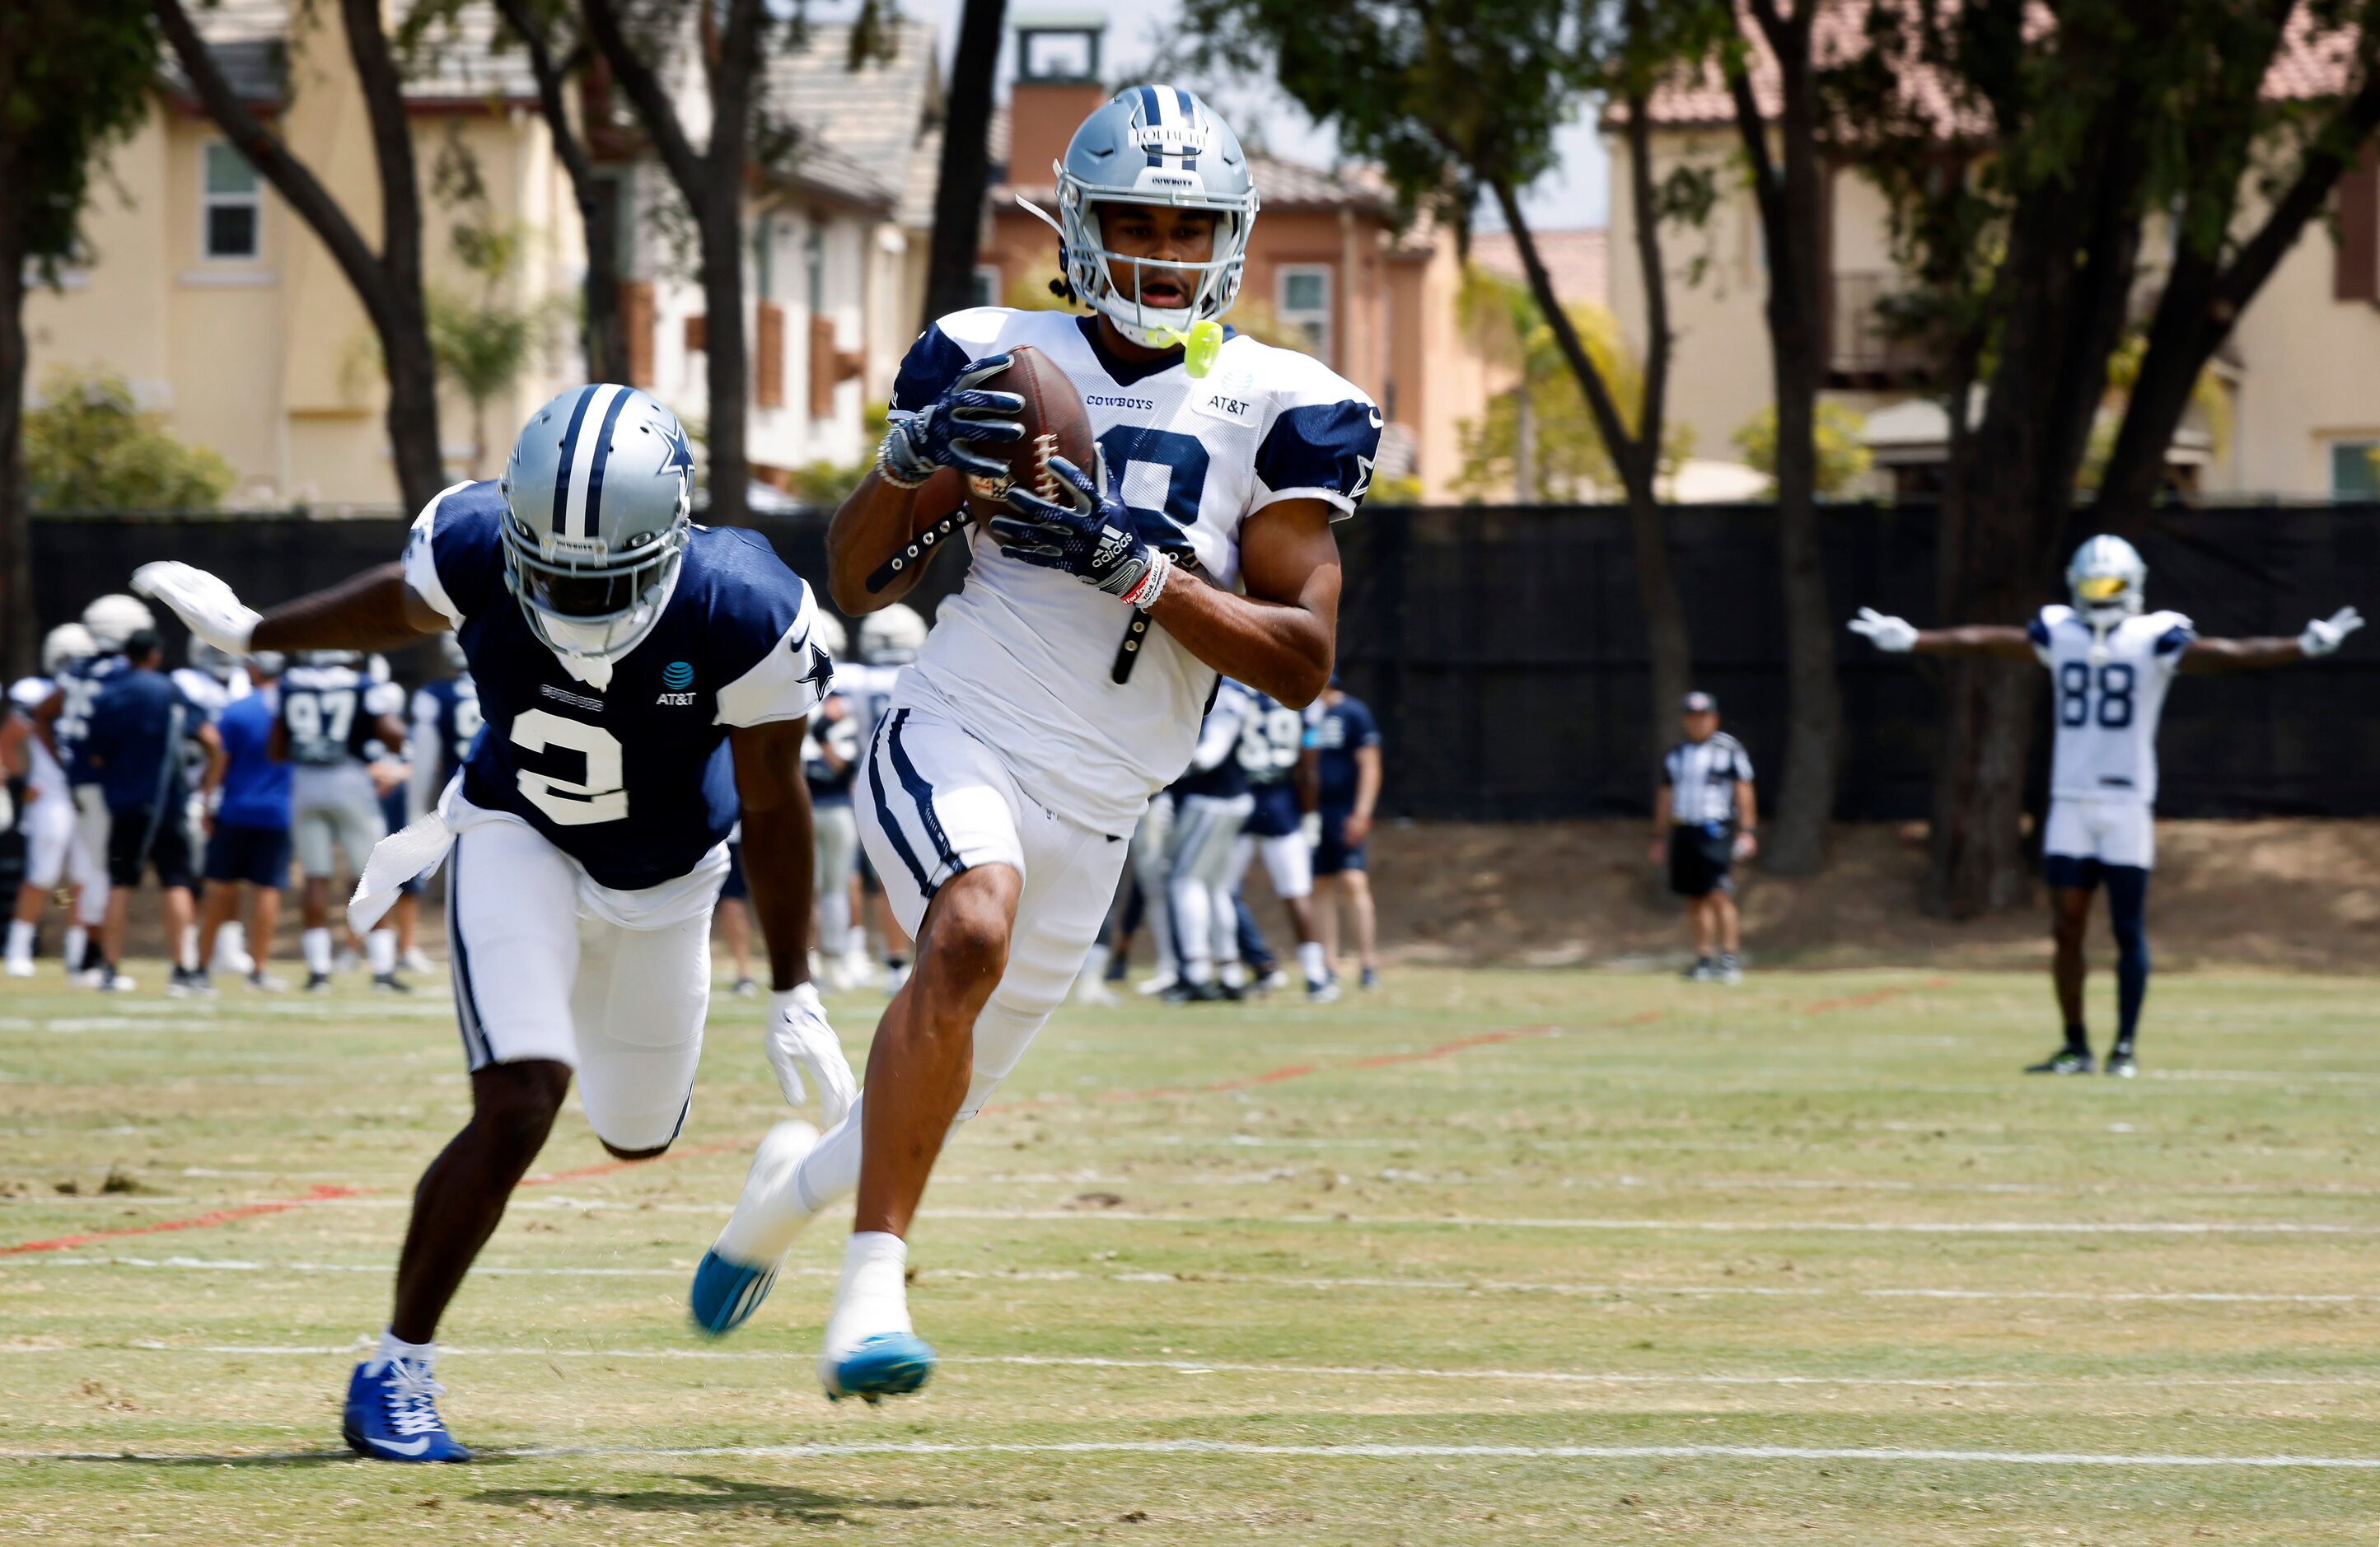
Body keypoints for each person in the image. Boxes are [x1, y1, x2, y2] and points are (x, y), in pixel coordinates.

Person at [689, 84, 1380, 1403]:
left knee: (933, 1085)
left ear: (1229, 239)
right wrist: (913, 457)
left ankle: (782, 1193)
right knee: (968, 928)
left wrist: (1138, 567)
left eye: (1190, 227)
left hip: (1109, 800)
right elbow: (857, 577)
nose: (1164, 252)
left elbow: (1299, 664)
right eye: (1136, 221)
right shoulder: (994, 351)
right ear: (1078, 222)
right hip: (964, 725)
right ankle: (869, 1292)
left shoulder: (1281, 401)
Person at [131, 381, 853, 1462]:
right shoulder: (469, 543)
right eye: (548, 568)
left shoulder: (744, 607)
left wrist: (795, 980)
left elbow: (770, 798)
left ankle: (769, 1175)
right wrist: (253, 633)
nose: (568, 596)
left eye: (597, 574)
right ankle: (396, 1368)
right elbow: (393, 603)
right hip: (517, 831)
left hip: (669, 881)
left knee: (636, 1131)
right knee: (521, 1096)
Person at [1849, 534, 2363, 1077]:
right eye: (2092, 584)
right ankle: (2075, 1046)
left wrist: (2299, 645)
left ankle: (2124, 1048)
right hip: (2070, 801)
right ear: (2075, 586)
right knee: (2065, 926)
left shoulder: (2154, 635)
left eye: (2110, 584)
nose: (2100, 594)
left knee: (2125, 928)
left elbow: (2224, 655)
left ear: (2132, 586)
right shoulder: (2059, 631)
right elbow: (1989, 641)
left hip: (2126, 803)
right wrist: (1915, 641)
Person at [78, 629, 220, 994]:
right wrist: (205, 787)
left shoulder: (109, 694)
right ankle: (183, 970)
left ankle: (109, 968)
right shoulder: (169, 690)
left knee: (120, 883)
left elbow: (95, 755)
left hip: (126, 804)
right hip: (168, 802)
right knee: (176, 882)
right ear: (155, 655)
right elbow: (213, 742)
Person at [29, 595, 158, 988]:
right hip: (102, 787)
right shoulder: (118, 673)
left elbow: (43, 714)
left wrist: (64, 762)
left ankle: (81, 956)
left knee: (83, 873)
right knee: (98, 874)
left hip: (78, 784)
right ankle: (90, 961)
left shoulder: (78, 669)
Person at [273, 648, 410, 992]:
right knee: (370, 878)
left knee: (316, 878)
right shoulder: (361, 684)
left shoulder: (290, 684)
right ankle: (382, 972)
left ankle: (319, 973)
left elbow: (275, 748)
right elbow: (393, 733)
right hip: (348, 780)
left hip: (305, 782)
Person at [4, 625, 105, 978]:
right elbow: (8, 740)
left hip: (84, 797)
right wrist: (20, 784)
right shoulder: (37, 694)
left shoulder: (94, 694)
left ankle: (77, 950)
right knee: (43, 873)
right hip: (51, 798)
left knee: (80, 878)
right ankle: (19, 945)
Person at [1230, 679, 1334, 1001]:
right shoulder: (1301, 701)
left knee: (1219, 892)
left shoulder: (1237, 696)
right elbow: (1309, 769)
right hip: (1282, 803)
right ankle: (1315, 975)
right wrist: (1310, 815)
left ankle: (1239, 968)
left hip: (1241, 799)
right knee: (1296, 894)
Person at [196, 651, 293, 991]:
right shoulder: (291, 708)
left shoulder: (237, 710)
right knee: (267, 890)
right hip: (279, 810)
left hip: (236, 809)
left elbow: (220, 761)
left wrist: (207, 802)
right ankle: (258, 971)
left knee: (219, 888)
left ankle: (200, 968)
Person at [1653, 691, 1756, 984]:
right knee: (1695, 897)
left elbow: (1744, 789)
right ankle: (1703, 959)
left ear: (1714, 718)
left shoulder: (1728, 750)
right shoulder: (1676, 755)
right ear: (1685, 721)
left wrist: (1747, 830)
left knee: (1719, 893)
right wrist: (1659, 835)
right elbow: (1665, 794)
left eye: (1704, 717)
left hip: (1716, 830)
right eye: (1693, 718)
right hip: (1685, 829)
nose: (1699, 723)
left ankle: (1729, 959)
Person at [1165, 682, 1258, 1001]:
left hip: (1213, 798)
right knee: (1215, 887)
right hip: (1232, 795)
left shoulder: (1228, 690)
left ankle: (1197, 972)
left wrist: (1169, 767)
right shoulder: (1239, 689)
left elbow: (1212, 752)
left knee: (1185, 882)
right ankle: (1230, 971)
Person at [802, 615, 864, 991]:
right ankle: (810, 956)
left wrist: (823, 736)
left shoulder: (837, 701)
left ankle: (836, 956)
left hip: (834, 803)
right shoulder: (798, 696)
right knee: (810, 886)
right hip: (805, 803)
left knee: (834, 886)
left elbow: (843, 764)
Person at [1307, 678, 1382, 990]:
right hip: (1315, 813)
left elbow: (1370, 765)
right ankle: (1329, 963)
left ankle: (1367, 962)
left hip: (1344, 811)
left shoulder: (1354, 713)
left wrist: (1362, 812)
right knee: (1320, 884)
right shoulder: (1308, 714)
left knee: (1353, 880)